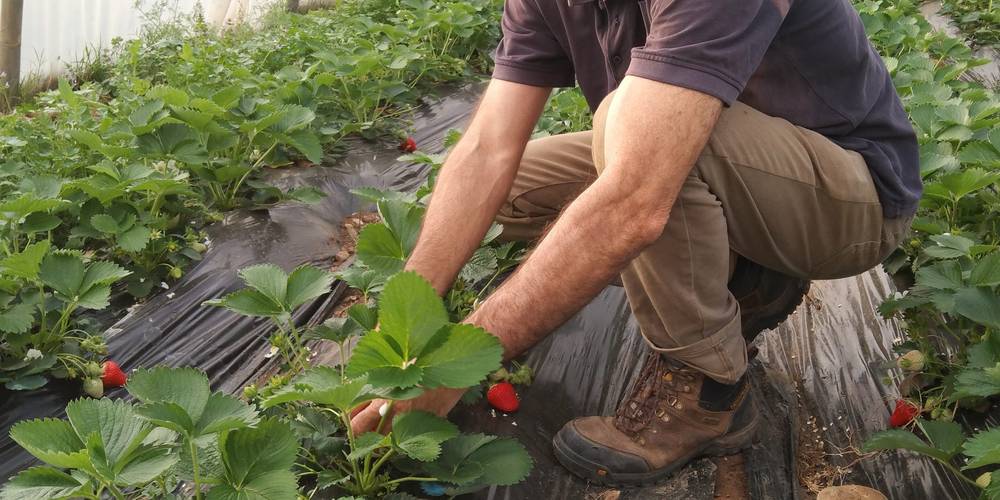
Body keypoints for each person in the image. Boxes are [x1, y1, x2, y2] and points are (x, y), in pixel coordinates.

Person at [351, 0, 920, 486]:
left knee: (629, 135)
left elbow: (635, 198)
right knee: (515, 190)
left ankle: (711, 391)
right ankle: (745, 272)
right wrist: (406, 323)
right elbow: (485, 152)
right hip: (728, 160)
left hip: (851, 199)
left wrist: (456, 363)